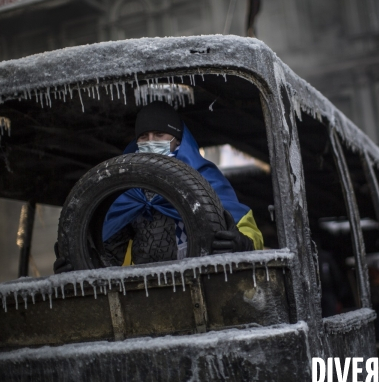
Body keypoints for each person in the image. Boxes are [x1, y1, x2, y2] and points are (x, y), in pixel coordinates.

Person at [54, 101, 263, 273]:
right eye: (143, 137)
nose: (150, 142)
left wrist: (244, 244)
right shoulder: (124, 189)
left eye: (159, 135)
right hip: (144, 291)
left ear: (177, 139)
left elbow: (245, 228)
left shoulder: (206, 179)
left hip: (203, 283)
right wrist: (78, 260)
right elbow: (107, 252)